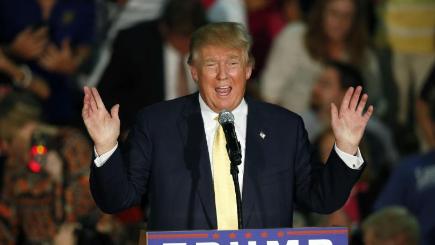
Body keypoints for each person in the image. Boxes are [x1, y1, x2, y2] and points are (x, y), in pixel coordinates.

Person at [83, 22, 373, 231]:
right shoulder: (157, 124)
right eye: (211, 64)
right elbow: (117, 200)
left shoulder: (285, 127)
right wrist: (106, 146)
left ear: (248, 69)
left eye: (233, 63)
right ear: (194, 71)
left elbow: (320, 198)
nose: (223, 76)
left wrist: (346, 147)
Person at [97, 0, 207, 132]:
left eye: (191, 37)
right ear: (164, 29)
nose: (185, 44)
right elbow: (108, 96)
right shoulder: (134, 44)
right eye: (179, 38)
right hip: (149, 134)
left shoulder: (216, 43)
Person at [261, 0, 383, 115]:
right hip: (291, 123)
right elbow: (269, 94)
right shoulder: (294, 38)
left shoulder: (365, 57)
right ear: (321, 12)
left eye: (347, 16)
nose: (340, 22)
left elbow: (373, 102)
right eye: (334, 13)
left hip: (344, 128)